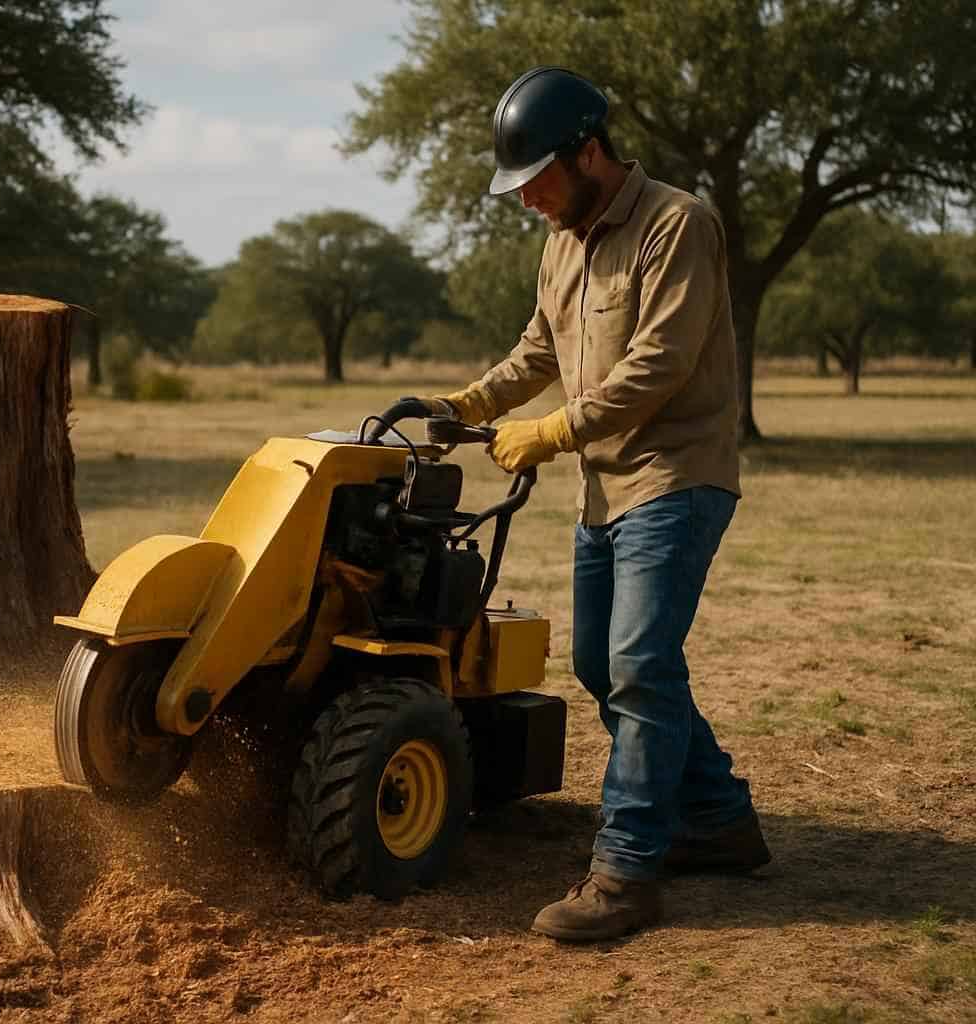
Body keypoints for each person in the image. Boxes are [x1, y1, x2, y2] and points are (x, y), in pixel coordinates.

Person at [420, 66, 769, 942]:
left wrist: (550, 432)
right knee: (600, 669)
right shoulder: (563, 240)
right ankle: (720, 821)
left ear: (588, 153)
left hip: (675, 477)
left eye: (537, 181)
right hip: (602, 487)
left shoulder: (677, 223)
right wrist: (468, 406)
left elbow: (660, 364)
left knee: (641, 667)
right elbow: (538, 347)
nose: (530, 200)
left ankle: (624, 872)